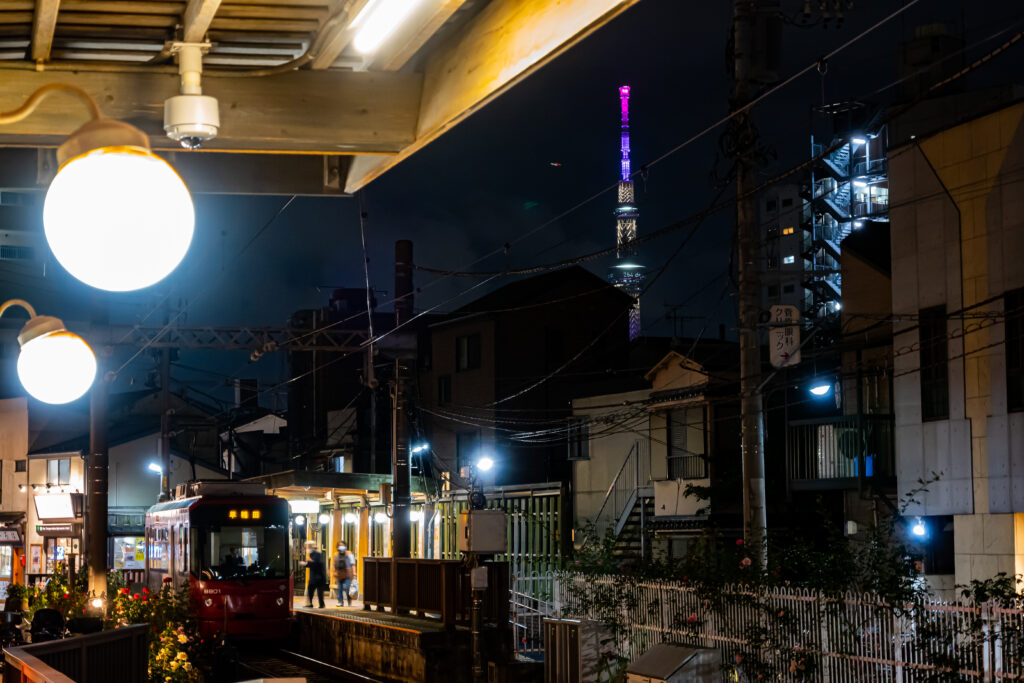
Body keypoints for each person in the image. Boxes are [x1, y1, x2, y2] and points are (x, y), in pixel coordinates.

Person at [302, 541, 326, 608]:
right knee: (310, 591)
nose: (307, 548)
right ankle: (312, 604)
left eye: (308, 547)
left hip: (319, 577)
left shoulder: (317, 554)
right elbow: (311, 564)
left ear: (311, 547)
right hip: (314, 577)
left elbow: (316, 564)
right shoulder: (311, 554)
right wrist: (305, 564)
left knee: (319, 592)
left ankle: (321, 604)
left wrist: (309, 562)